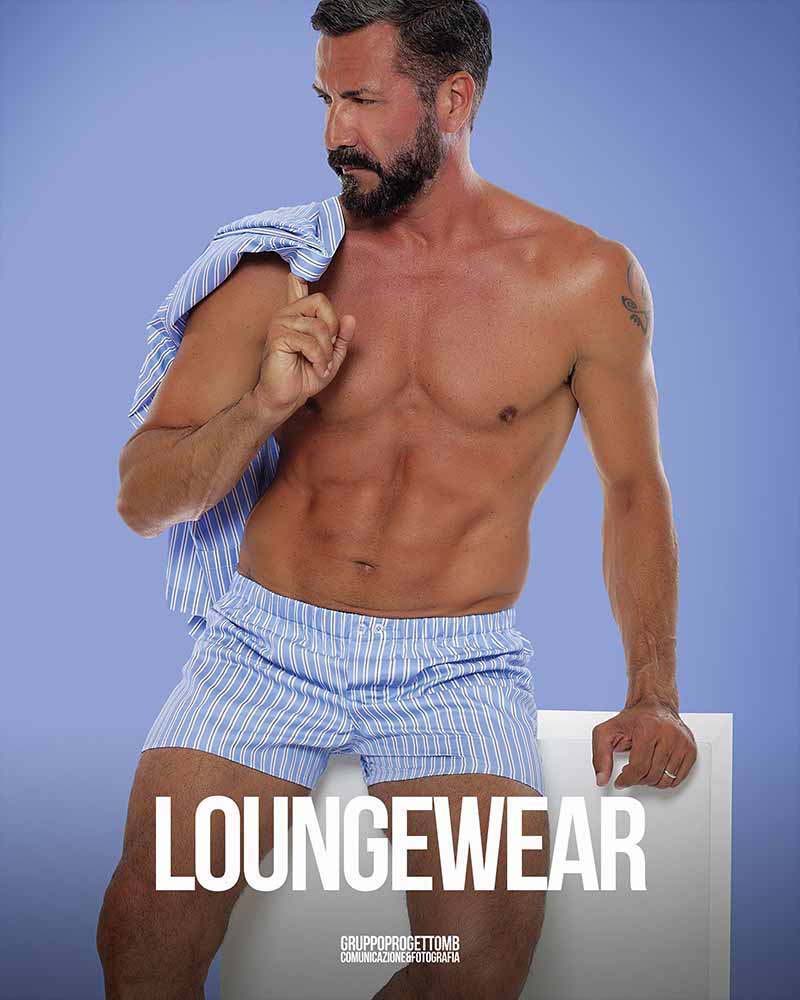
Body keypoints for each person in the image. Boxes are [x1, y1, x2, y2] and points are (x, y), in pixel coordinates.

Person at [97, 2, 697, 997]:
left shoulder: (583, 282)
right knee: (144, 938)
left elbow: (633, 490)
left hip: (453, 664)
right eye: (326, 99)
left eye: (364, 101)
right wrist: (262, 407)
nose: (336, 132)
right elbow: (142, 498)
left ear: (453, 100)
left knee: (478, 965)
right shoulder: (277, 271)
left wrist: (652, 688)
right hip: (265, 646)